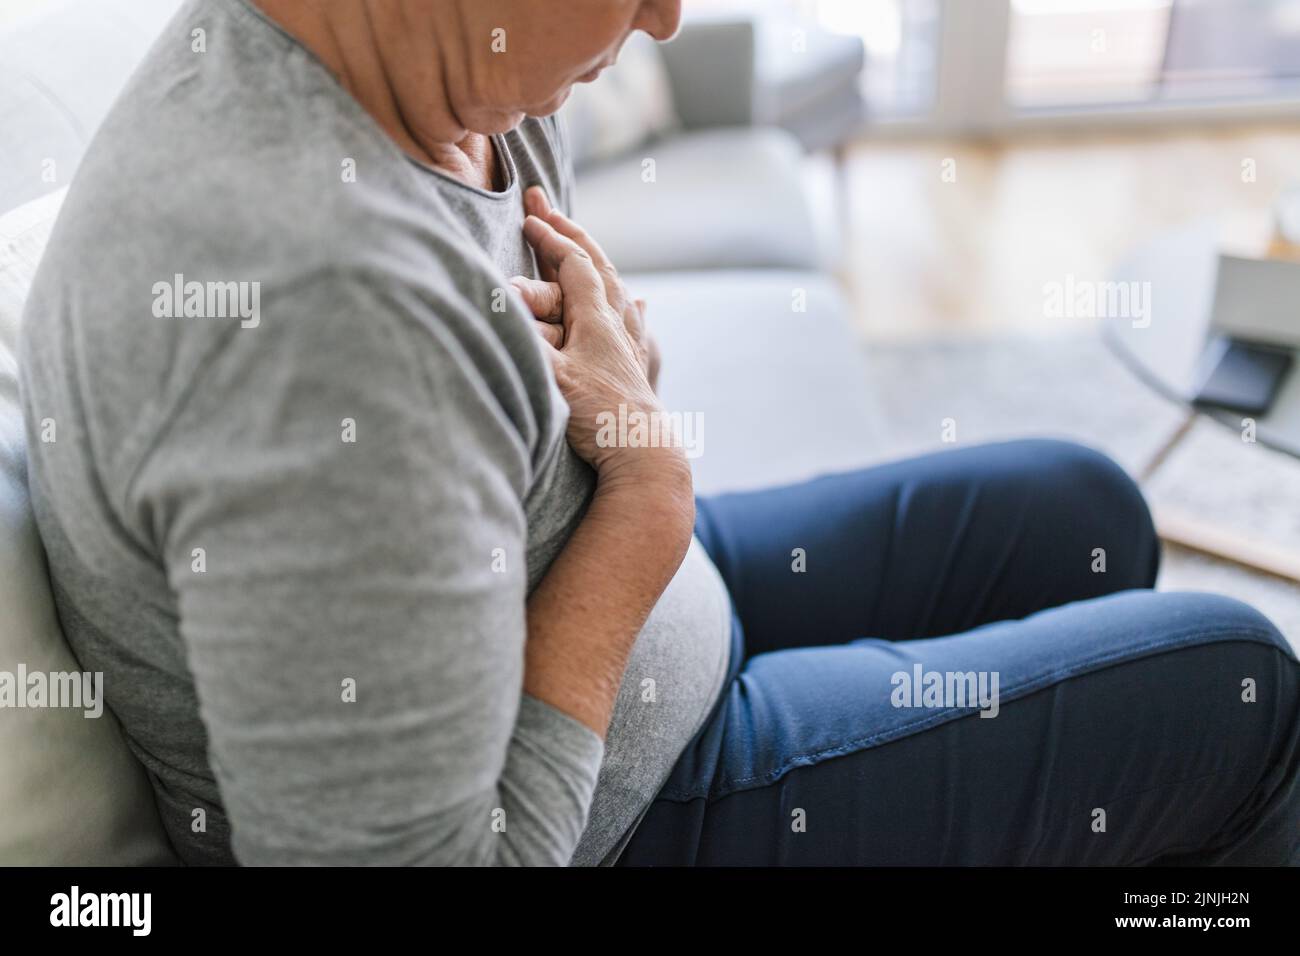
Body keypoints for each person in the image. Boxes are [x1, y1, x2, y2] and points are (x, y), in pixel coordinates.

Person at [20, 0, 1298, 866]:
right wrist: (646, 506)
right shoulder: (318, 316)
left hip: (627, 613)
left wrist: (625, 403)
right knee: (1243, 682)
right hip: (627, 815)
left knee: (1081, 509)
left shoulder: (456, 79)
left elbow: (544, 409)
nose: (670, 14)